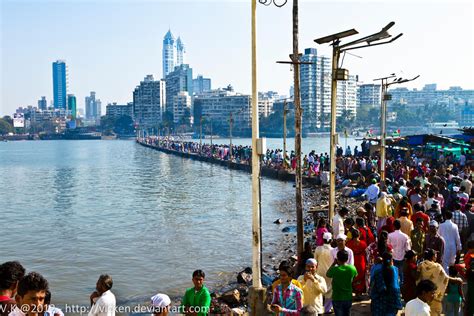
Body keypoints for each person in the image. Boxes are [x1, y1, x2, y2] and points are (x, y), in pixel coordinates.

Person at [417, 249, 463, 316]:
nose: (436, 257)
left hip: (424, 295)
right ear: (432, 257)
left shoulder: (421, 265)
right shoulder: (437, 266)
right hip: (434, 296)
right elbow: (446, 277)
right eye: (435, 255)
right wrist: (457, 280)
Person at [369, 252, 402, 316]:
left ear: (382, 260)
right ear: (392, 260)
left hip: (378, 303)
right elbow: (396, 287)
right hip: (392, 302)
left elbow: (372, 286)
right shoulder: (395, 270)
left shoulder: (377, 270)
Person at [326, 250, 357, 316]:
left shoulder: (334, 269)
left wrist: (334, 263)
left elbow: (327, 274)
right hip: (348, 297)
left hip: (337, 297)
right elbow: (355, 277)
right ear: (347, 258)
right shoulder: (352, 268)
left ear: (337, 258)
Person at [314, 232, 334, 314]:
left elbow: (315, 261)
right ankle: (327, 309)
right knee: (329, 291)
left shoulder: (318, 249)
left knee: (320, 289)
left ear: (323, 239)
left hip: (320, 272)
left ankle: (319, 307)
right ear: (331, 240)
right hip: (330, 272)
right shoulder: (333, 250)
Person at [388, 219, 411, 285]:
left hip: (393, 257)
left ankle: (394, 286)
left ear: (394, 226)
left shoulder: (390, 235)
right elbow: (408, 249)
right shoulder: (405, 236)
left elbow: (388, 247)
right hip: (402, 257)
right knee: (401, 273)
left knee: (393, 273)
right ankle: (401, 287)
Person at [345, 229, 367, 296]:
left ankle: (354, 291)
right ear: (359, 235)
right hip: (361, 261)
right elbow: (366, 254)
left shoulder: (349, 244)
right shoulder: (363, 244)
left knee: (354, 276)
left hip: (353, 261)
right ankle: (359, 293)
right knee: (361, 276)